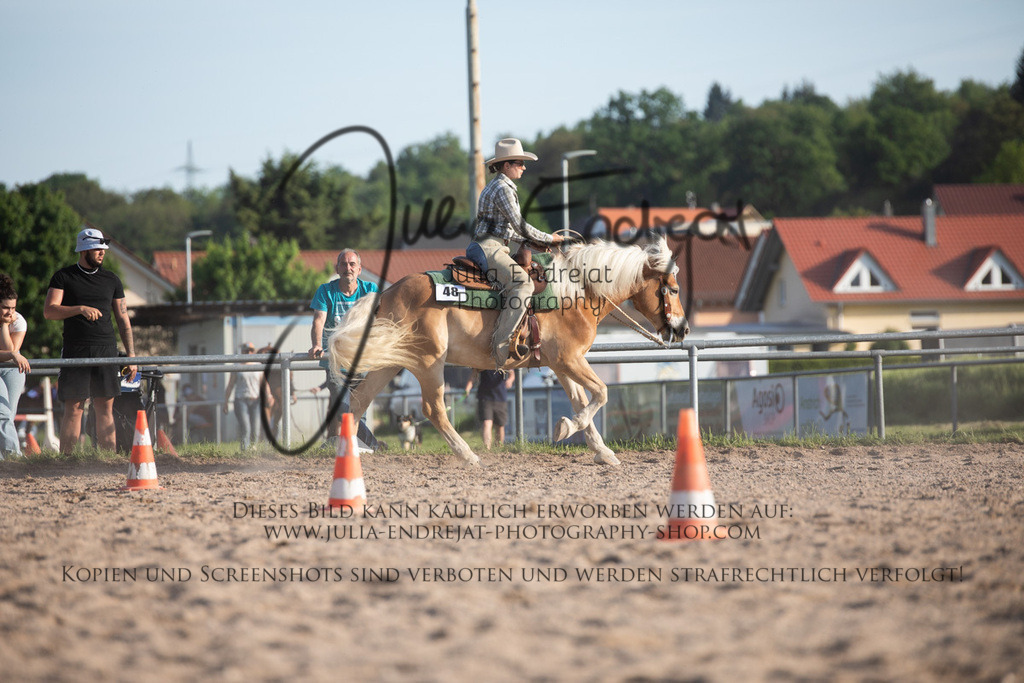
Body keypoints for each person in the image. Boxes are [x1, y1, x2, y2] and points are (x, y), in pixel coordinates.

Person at [468, 138, 566, 368]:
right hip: (488, 248)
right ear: (506, 165)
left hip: (490, 245)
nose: (524, 167)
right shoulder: (503, 188)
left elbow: (509, 230)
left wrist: (533, 241)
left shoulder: (497, 186)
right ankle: (501, 347)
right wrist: (548, 238)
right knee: (523, 284)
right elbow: (519, 225)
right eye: (519, 163)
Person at [44, 226, 135, 454]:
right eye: (97, 248)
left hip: (106, 349)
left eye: (103, 248)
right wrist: (79, 309)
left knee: (105, 408)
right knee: (74, 409)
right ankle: (67, 461)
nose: (102, 252)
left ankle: (107, 461)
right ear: (84, 250)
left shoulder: (112, 279)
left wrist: (132, 356)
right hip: (75, 350)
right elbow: (49, 311)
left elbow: (123, 320)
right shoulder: (64, 276)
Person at [308, 249, 382, 452]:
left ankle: (360, 451)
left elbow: (379, 319)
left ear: (359, 269)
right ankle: (373, 446)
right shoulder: (326, 291)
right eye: (343, 264)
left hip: (362, 361)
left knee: (359, 410)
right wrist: (317, 344)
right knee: (343, 408)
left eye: (352, 264)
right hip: (336, 362)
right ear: (337, 268)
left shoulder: (370, 289)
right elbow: (319, 320)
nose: (347, 268)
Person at [1, 274, 31, 458]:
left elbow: (10, 351)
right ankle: (14, 456)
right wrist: (12, 354)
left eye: (13, 307)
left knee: (9, 415)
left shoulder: (18, 321)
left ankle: (3, 458)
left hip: (11, 368)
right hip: (9, 361)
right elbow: (11, 353)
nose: (10, 313)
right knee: (2, 412)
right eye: (5, 307)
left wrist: (4, 326)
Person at [223, 342, 265, 450]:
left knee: (255, 428)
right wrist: (226, 402)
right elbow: (230, 385)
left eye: (251, 350)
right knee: (246, 427)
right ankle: (244, 450)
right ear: (242, 352)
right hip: (241, 399)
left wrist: (268, 396)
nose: (248, 353)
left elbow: (263, 384)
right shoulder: (237, 366)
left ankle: (253, 449)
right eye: (246, 351)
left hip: (255, 400)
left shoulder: (258, 366)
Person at [465, 369, 514, 450]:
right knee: (486, 423)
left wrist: (510, 380)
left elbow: (511, 373)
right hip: (485, 397)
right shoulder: (482, 362)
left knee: (500, 425)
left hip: (500, 397)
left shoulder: (502, 362)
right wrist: (468, 388)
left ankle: (499, 448)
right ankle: (487, 448)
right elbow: (474, 374)